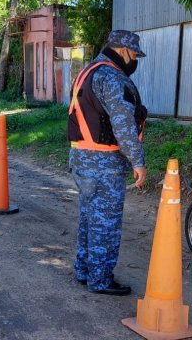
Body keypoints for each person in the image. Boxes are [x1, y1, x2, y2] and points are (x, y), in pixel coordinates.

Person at [68, 29, 148, 296]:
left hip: (81, 158)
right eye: (135, 54)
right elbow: (123, 123)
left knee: (90, 218)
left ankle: (84, 270)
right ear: (124, 50)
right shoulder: (112, 77)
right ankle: (100, 279)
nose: (135, 60)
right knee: (106, 225)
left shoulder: (88, 71)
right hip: (104, 164)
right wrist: (137, 161)